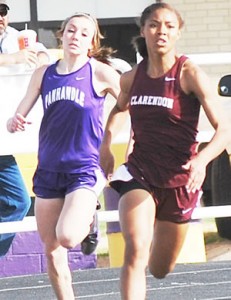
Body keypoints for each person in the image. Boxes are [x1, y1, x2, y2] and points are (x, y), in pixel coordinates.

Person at [100, 3, 231, 300]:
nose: (162, 31)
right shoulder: (132, 78)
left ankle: (161, 224)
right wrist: (106, 143)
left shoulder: (189, 74)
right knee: (135, 248)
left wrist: (201, 160)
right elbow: (120, 109)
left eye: (169, 26)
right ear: (144, 30)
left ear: (178, 32)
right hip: (140, 173)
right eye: (155, 25)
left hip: (180, 179)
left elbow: (224, 129)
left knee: (160, 268)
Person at [7, 12, 122, 299]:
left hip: (84, 167)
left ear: (92, 42)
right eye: (71, 31)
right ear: (62, 34)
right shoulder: (44, 73)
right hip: (49, 168)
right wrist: (15, 121)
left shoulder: (100, 72)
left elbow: (131, 105)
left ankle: (88, 218)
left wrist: (110, 141)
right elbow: (17, 114)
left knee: (68, 236)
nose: (76, 37)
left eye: (84, 33)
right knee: (53, 250)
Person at [0, 0, 49, 256]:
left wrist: (38, 57)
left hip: (3, 143)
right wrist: (9, 59)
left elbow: (43, 53)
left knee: (17, 201)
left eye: (2, 11)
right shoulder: (11, 50)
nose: (0, 17)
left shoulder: (16, 37)